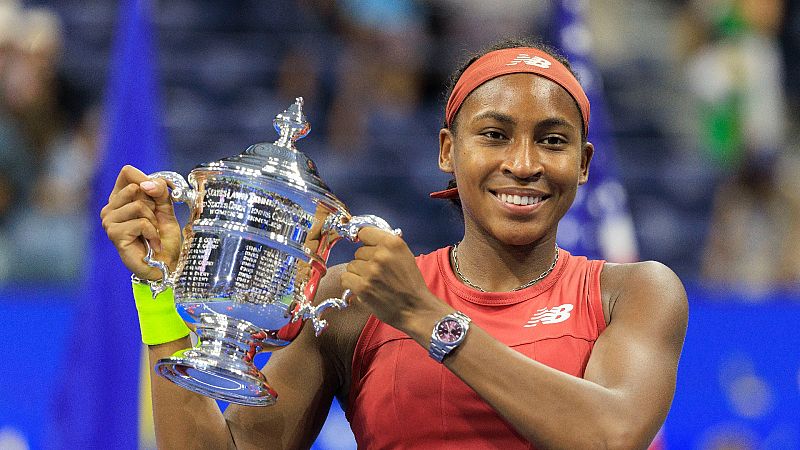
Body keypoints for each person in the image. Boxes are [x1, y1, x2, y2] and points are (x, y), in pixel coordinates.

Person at [101, 37, 688, 449]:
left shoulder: (634, 292)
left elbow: (612, 436)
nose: (524, 163)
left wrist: (425, 317)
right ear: (447, 152)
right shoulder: (352, 309)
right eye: (494, 135)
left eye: (553, 141)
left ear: (584, 164)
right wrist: (158, 294)